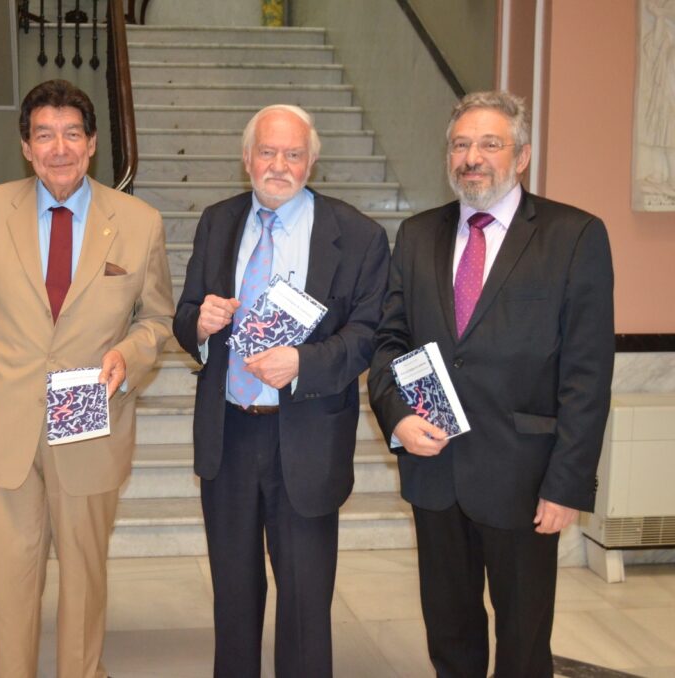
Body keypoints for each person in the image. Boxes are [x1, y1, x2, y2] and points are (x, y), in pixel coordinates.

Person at [367, 90, 614, 678]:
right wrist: (398, 416)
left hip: (524, 480)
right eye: (460, 144)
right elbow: (389, 342)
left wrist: (567, 484)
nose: (471, 157)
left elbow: (586, 374)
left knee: (524, 644)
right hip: (436, 472)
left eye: (489, 144)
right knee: (449, 634)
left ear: (521, 156)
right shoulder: (417, 234)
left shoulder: (573, 235)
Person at [0, 79, 174, 678]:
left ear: (92, 143)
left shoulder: (140, 222)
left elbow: (158, 319)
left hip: (91, 420)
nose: (60, 148)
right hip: (9, 420)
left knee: (84, 573)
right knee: (12, 576)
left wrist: (130, 353)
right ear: (26, 146)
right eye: (44, 135)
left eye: (72, 134)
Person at [173, 104, 390, 677]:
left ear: (311, 161)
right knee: (233, 599)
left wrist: (302, 362)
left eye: (293, 154)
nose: (279, 165)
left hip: (307, 438)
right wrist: (199, 324)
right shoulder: (217, 222)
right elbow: (185, 314)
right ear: (246, 158)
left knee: (304, 606)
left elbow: (367, 336)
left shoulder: (359, 236)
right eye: (267, 152)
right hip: (229, 434)